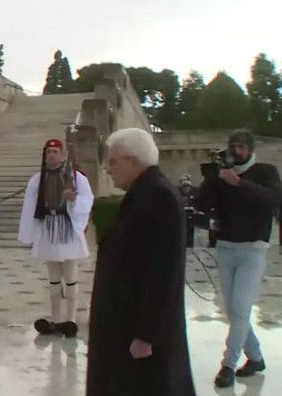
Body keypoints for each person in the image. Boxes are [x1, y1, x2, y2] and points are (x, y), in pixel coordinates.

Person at [86, 128, 194, 396]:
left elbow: (162, 274)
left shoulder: (159, 197)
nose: (109, 170)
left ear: (133, 161)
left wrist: (147, 335)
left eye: (113, 162)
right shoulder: (144, 193)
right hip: (127, 327)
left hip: (139, 336)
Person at [196, 128, 282, 388]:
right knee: (234, 310)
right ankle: (255, 357)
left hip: (253, 249)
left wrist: (239, 183)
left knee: (241, 307)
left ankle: (228, 365)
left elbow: (273, 198)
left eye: (240, 147)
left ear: (251, 149)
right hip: (226, 247)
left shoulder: (265, 171)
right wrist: (213, 178)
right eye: (232, 146)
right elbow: (201, 203)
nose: (235, 152)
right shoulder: (222, 176)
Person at [17, 139, 93, 338]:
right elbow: (30, 205)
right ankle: (57, 318)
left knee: (70, 277)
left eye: (55, 151)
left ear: (62, 154)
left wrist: (74, 199)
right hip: (48, 227)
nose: (51, 155)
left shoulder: (75, 177)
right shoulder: (37, 179)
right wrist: (30, 232)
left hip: (66, 227)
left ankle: (71, 319)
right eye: (48, 151)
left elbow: (88, 198)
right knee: (53, 279)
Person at [178, 174, 198, 248]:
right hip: (182, 215)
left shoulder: (194, 194)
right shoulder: (179, 194)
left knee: (190, 231)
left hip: (191, 215)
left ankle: (190, 246)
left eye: (188, 187)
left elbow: (196, 203)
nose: (186, 188)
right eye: (184, 187)